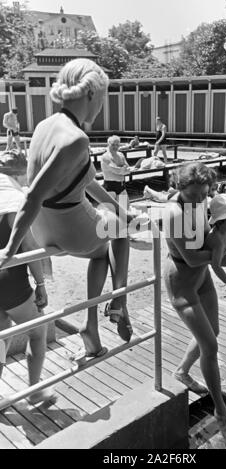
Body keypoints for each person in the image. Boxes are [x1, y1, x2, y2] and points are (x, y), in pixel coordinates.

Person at [0, 59, 138, 363]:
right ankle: (120, 302)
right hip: (69, 228)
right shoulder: (77, 138)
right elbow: (33, 195)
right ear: (91, 95)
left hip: (43, 229)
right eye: (102, 99)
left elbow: (87, 180)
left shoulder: (44, 127)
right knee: (120, 231)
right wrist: (10, 247)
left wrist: (121, 211)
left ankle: (91, 328)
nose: (101, 107)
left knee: (104, 250)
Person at [163, 161, 226, 445]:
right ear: (179, 188)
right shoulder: (173, 214)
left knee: (213, 333)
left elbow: (206, 236)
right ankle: (222, 413)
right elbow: (194, 257)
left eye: (203, 194)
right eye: (193, 195)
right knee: (210, 346)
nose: (199, 200)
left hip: (201, 277)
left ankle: (182, 371)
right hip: (182, 280)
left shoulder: (200, 201)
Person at [0, 151, 56, 407]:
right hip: (10, 279)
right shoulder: (16, 200)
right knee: (37, 331)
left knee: (1, 338)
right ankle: (34, 390)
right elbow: (30, 248)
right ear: (20, 174)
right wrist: (41, 283)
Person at [101, 135, 131, 204]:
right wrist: (122, 169)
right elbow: (115, 170)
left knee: (123, 212)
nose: (115, 147)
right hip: (110, 186)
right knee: (111, 211)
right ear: (108, 144)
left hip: (121, 186)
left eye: (117, 145)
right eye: (113, 145)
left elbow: (128, 169)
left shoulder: (121, 155)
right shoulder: (105, 156)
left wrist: (122, 170)